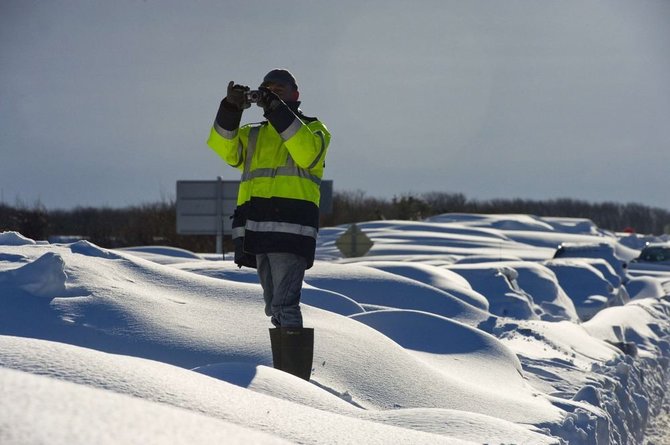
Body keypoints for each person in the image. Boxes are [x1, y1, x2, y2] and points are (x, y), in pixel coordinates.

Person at [207, 69, 330, 380]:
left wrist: (276, 109)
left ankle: (294, 381)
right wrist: (230, 108)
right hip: (259, 231)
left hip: (291, 230)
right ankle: (287, 375)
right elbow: (225, 149)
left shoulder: (314, 130)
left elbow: (304, 152)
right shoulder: (254, 134)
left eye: (279, 88)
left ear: (295, 94)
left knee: (286, 304)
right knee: (274, 306)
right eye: (267, 89)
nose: (271, 92)